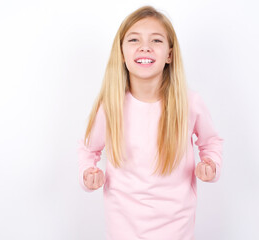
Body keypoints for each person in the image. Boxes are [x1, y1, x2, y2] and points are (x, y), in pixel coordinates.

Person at [77, 5, 224, 240]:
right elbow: (88, 150)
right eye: (134, 40)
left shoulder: (189, 102)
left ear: (169, 54)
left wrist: (211, 165)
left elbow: (211, 142)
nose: (145, 46)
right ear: (122, 53)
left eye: (156, 40)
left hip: (177, 227)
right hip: (123, 228)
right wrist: (88, 174)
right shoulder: (111, 106)